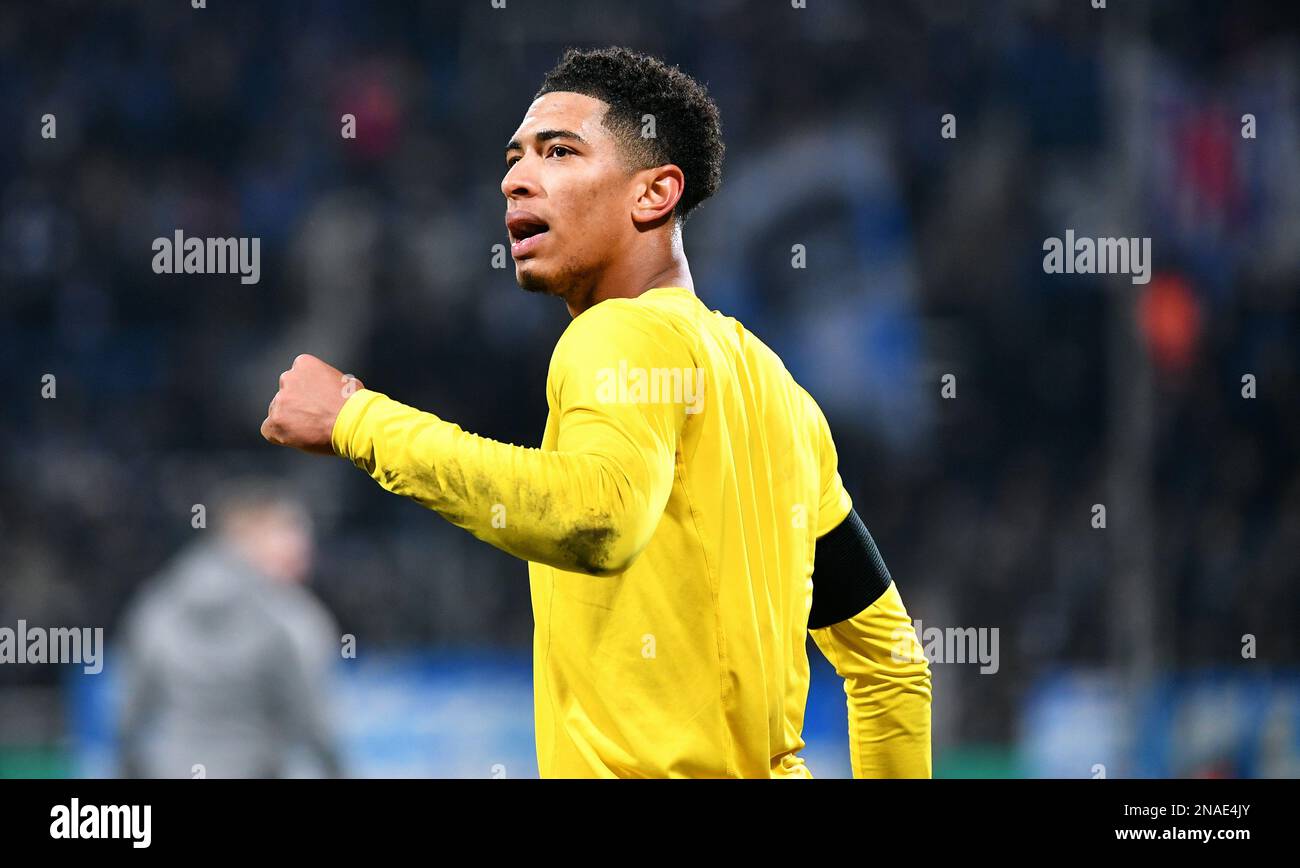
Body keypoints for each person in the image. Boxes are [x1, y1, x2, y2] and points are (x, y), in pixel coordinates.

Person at [261, 46, 931, 778]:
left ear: (654, 195)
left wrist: (358, 421)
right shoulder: (780, 395)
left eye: (559, 152)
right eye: (515, 158)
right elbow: (893, 665)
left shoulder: (616, 332)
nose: (515, 179)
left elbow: (598, 518)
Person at [117, 480, 343, 778]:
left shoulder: (157, 603)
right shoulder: (291, 616)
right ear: (251, 536)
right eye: (291, 530)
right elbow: (316, 726)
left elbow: (129, 717)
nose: (305, 546)